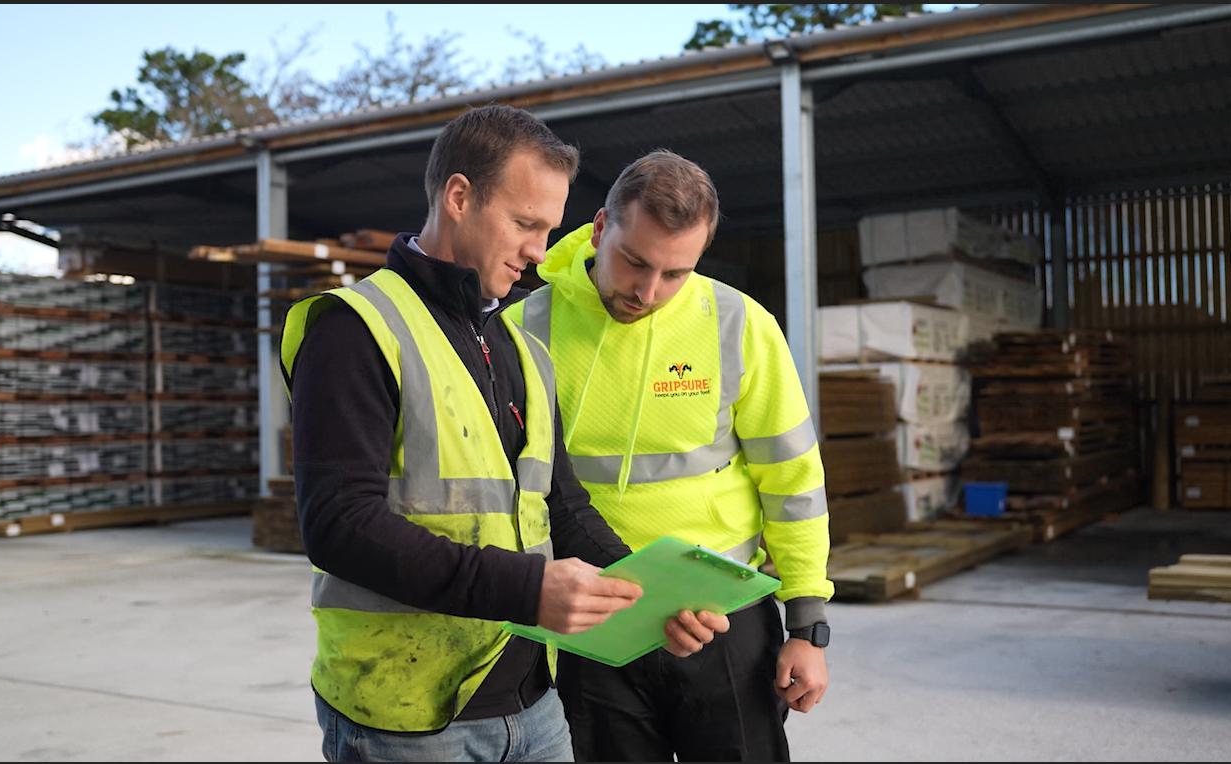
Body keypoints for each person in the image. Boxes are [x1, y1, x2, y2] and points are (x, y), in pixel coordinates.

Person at [279, 105, 720, 763]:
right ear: (459, 197)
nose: (540, 252)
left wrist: (652, 598)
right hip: (407, 718)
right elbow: (339, 524)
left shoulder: (518, 344)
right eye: (524, 224)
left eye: (549, 230)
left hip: (533, 707)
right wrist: (529, 589)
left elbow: (562, 510)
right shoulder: (354, 330)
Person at [503, 149, 834, 762]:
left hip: (724, 618)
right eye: (634, 262)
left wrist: (808, 625)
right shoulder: (524, 329)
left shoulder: (738, 324)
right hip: (592, 626)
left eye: (676, 273)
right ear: (601, 229)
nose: (649, 291)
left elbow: (792, 481)